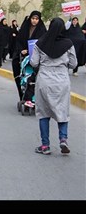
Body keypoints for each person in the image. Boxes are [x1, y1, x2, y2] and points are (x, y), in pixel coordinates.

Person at [30, 18, 77, 155]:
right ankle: (63, 139)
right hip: (62, 81)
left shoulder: (40, 43)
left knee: (44, 113)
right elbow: (74, 64)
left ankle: (45, 146)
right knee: (62, 111)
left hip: (44, 80)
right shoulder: (68, 44)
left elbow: (33, 63)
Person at [12, 11, 46, 101]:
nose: (34, 21)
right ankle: (22, 97)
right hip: (23, 56)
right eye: (33, 18)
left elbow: (44, 43)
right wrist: (21, 50)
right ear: (30, 18)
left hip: (37, 57)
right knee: (20, 74)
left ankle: (35, 99)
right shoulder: (25, 28)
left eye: (36, 19)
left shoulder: (42, 30)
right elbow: (19, 41)